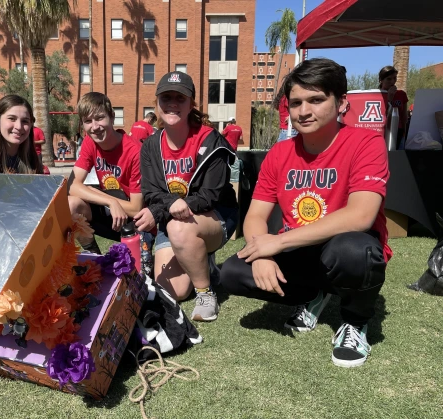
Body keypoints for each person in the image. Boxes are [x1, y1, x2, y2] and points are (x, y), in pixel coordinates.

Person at [220, 58, 391, 368]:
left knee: (353, 251)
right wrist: (261, 255)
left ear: (340, 102)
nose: (303, 111)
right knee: (233, 272)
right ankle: (314, 294)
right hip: (301, 250)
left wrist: (279, 243)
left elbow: (361, 215)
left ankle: (354, 321)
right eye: (296, 102)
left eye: (316, 99)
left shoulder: (366, 142)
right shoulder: (280, 153)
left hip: (343, 245)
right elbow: (256, 215)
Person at [134, 71, 238, 322]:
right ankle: (205, 265)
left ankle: (205, 294)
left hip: (213, 217)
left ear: (191, 104)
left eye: (179, 98)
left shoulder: (211, 140)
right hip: (171, 220)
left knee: (180, 229)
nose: (172, 103)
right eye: (166, 97)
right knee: (175, 290)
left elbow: (209, 197)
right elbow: (150, 192)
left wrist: (160, 210)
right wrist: (168, 206)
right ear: (157, 102)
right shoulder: (150, 145)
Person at [68, 92, 143, 254]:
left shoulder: (135, 151)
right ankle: (95, 257)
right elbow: (72, 186)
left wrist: (110, 200)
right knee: (71, 205)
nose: (95, 127)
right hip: (111, 210)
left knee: (137, 274)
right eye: (88, 121)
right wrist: (111, 202)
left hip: (135, 221)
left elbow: (137, 208)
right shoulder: (90, 141)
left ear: (112, 117)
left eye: (100, 118)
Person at [378, 66, 408, 147]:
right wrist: (389, 98)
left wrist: (405, 133)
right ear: (381, 80)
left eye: (394, 78)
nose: (392, 82)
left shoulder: (401, 94)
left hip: (398, 130)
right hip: (383, 130)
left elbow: (404, 116)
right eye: (389, 79)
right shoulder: (377, 95)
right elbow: (380, 114)